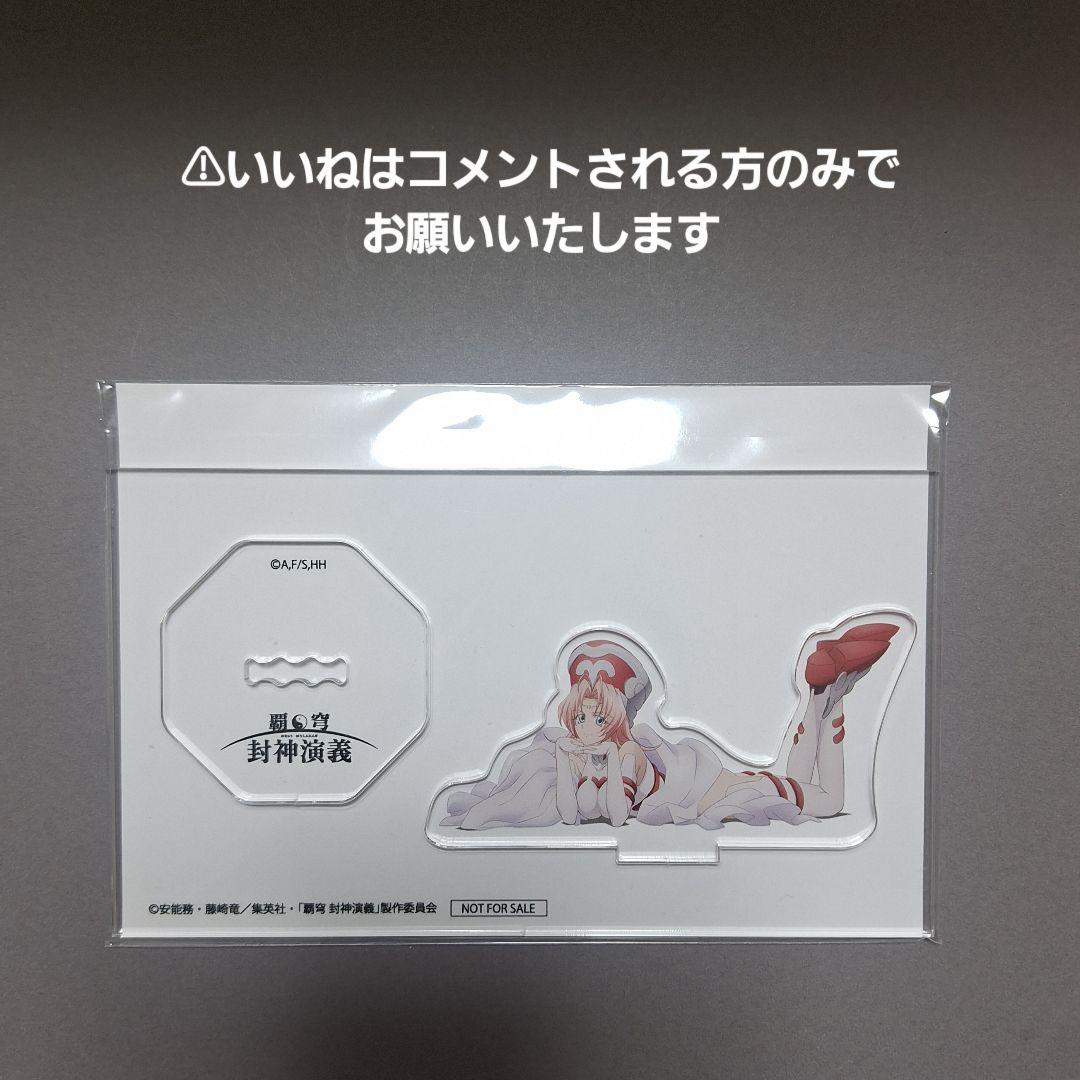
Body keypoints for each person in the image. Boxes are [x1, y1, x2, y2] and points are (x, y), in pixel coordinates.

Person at [440, 623, 900, 831]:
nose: (586, 726)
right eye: (580, 717)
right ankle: (824, 692)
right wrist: (565, 759)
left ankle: (827, 696)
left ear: (616, 719)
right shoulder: (579, 755)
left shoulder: (626, 754)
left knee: (827, 800)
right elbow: (568, 810)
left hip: (724, 792)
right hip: (724, 786)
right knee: (802, 785)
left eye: (599, 718)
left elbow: (615, 815)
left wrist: (607, 759)